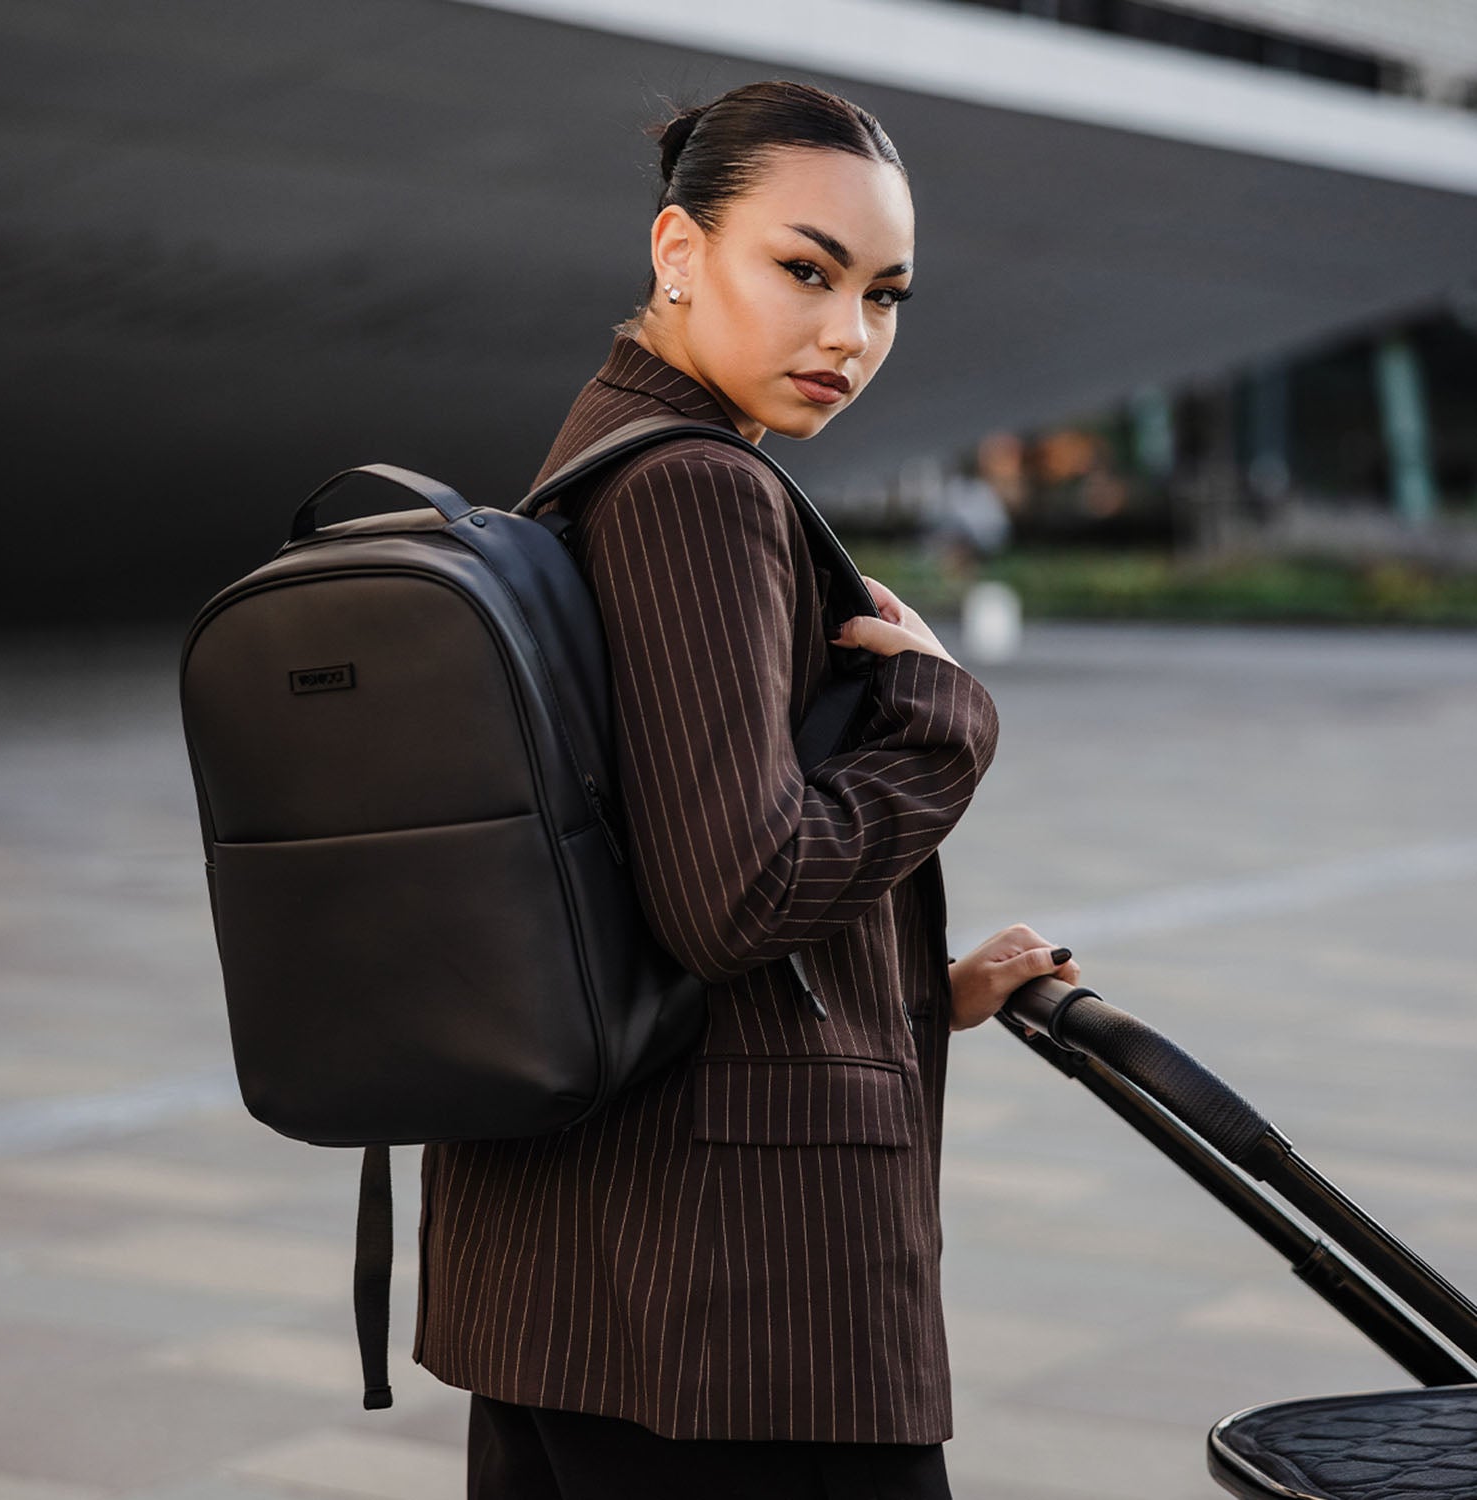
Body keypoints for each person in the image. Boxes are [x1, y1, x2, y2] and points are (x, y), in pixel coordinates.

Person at [413, 78, 1083, 1500]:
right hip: (739, 1304)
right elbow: (735, 896)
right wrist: (943, 724)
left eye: (887, 296)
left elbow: (645, 852)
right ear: (677, 253)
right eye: (804, 269)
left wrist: (908, 983)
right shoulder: (699, 489)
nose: (850, 334)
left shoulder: (600, 452)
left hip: (580, 1265)